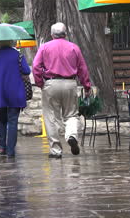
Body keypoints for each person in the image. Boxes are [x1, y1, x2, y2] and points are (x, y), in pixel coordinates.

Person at [33, 22, 91, 159]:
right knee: (71, 114)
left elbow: (35, 66)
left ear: (52, 35)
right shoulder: (74, 48)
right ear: (66, 33)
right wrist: (87, 86)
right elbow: (83, 69)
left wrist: (40, 83)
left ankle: (56, 150)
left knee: (50, 117)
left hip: (51, 83)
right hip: (70, 83)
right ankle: (71, 135)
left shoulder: (45, 47)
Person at [0, 40, 31, 157]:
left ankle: (2, 147)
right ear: (11, 42)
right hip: (15, 90)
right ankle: (11, 150)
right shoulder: (18, 55)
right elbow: (27, 70)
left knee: (1, 119)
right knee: (13, 120)